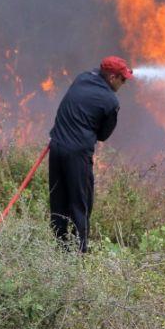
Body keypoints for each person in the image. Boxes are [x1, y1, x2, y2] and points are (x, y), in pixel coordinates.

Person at [48, 56, 131, 252]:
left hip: (56, 148)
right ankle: (78, 256)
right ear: (112, 77)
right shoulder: (111, 101)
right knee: (80, 205)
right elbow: (103, 135)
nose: (124, 82)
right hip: (77, 156)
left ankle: (60, 251)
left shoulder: (82, 78)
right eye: (123, 79)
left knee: (58, 203)